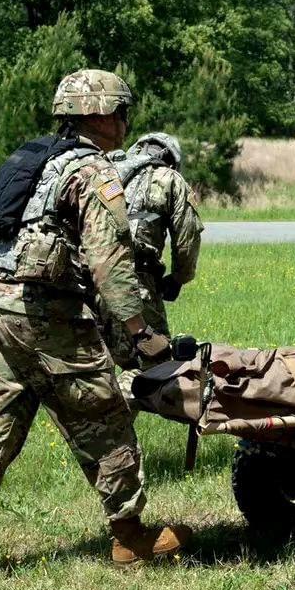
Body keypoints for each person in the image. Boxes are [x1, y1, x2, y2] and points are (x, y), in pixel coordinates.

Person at [0, 69, 189, 576]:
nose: (124, 122)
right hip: (48, 317)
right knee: (107, 417)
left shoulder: (38, 160)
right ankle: (129, 536)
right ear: (98, 114)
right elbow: (109, 264)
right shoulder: (92, 172)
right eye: (120, 111)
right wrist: (143, 334)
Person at [102, 133, 202, 397]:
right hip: (137, 282)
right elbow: (187, 238)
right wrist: (179, 278)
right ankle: (113, 417)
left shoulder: (106, 171)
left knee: (100, 360)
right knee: (156, 361)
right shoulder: (168, 179)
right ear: (171, 159)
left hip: (92, 281)